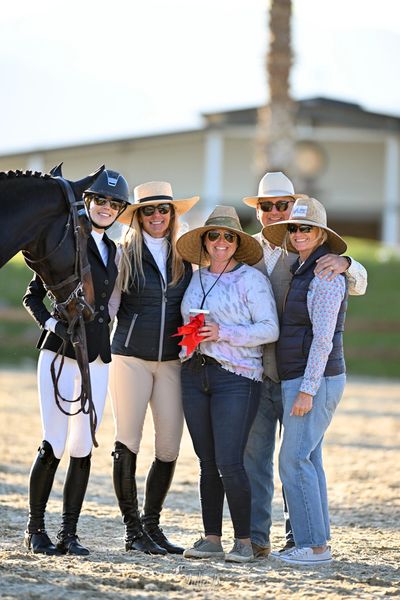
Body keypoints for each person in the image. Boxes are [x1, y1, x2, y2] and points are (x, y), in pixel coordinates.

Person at [242, 172, 368, 558]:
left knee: (300, 457)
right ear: (260, 210)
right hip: (256, 372)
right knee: (257, 460)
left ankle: (305, 540)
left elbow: (356, 285)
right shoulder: (245, 251)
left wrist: (347, 262)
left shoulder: (322, 263)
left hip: (300, 375)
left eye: (284, 205)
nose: (277, 213)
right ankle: (257, 539)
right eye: (269, 206)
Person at [22, 169, 130, 556]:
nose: (106, 208)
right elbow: (33, 295)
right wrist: (52, 323)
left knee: (83, 444)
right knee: (53, 441)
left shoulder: (115, 251)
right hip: (60, 350)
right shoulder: (68, 239)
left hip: (99, 355)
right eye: (101, 200)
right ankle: (36, 530)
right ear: (88, 201)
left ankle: (69, 533)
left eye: (115, 204)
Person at [176, 205, 279, 563]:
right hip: (193, 374)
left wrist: (224, 332)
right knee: (206, 462)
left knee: (230, 462)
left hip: (237, 377)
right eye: (214, 235)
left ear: (237, 242)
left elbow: (270, 329)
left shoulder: (252, 280)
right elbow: (188, 320)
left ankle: (246, 542)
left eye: (228, 236)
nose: (221, 242)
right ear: (205, 241)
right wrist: (189, 339)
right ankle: (211, 538)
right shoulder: (196, 277)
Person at [109, 181, 199, 555]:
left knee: (168, 447)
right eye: (149, 211)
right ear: (138, 216)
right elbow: (110, 305)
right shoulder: (122, 254)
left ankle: (152, 526)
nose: (157, 216)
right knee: (128, 440)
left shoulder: (187, 257)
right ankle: (133, 532)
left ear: (173, 214)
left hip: (171, 362)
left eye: (164, 210)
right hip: (129, 358)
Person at [262, 195, 349, 565]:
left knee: (293, 461)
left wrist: (308, 389)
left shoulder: (326, 275)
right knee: (308, 459)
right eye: (294, 228)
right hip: (299, 377)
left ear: (321, 234)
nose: (298, 233)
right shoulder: (302, 268)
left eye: (306, 228)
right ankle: (318, 542)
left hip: (312, 379)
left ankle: (313, 547)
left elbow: (324, 338)